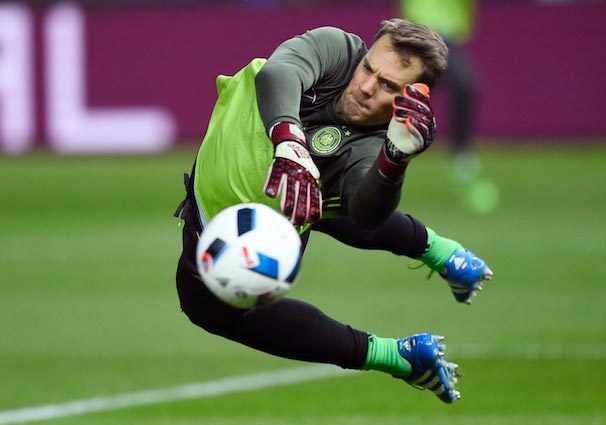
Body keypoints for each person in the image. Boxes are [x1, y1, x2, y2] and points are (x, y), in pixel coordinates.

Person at [175, 18, 493, 404]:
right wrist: (289, 141)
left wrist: (394, 160)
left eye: (388, 86)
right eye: (369, 69)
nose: (365, 87)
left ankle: (398, 356)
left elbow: (366, 212)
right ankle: (444, 253)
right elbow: (279, 73)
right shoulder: (337, 49)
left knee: (207, 307)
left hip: (251, 224)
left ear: (413, 99)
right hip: (271, 168)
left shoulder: (371, 147)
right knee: (322, 198)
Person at [401, 0, 500, 214]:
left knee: (461, 88)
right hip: (421, 34)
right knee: (459, 86)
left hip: (446, 38)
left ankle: (461, 157)